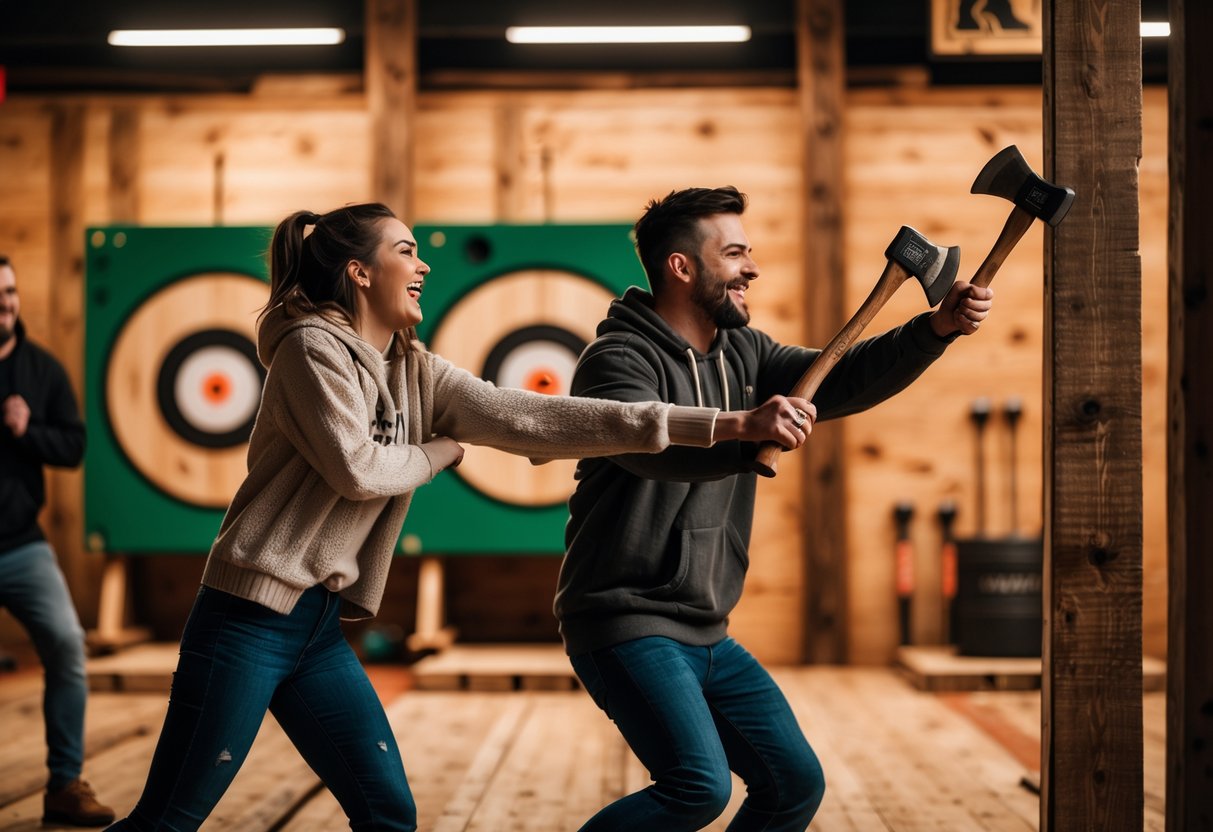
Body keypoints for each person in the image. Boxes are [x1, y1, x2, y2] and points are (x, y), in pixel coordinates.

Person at [105, 202, 811, 832]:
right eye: (406, 250)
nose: (424, 263)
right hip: (248, 619)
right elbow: (357, 469)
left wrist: (722, 425)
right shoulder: (308, 349)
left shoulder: (414, 368)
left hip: (316, 630)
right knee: (170, 819)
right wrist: (439, 451)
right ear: (358, 272)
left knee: (387, 814)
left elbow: (532, 416)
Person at [555, 186, 994, 831]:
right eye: (734, 254)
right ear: (682, 267)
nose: (752, 268)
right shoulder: (616, 362)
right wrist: (741, 429)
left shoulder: (746, 354)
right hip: (624, 618)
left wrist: (935, 329)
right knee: (696, 787)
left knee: (792, 785)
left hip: (708, 628)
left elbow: (838, 375)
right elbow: (648, 445)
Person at [0, 255, 115, 826]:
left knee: (68, 646)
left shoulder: (40, 369)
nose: (5, 303)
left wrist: (28, 431)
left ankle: (64, 784)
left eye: (10, 292)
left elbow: (72, 448)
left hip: (21, 544)